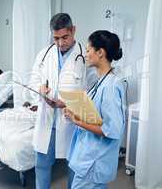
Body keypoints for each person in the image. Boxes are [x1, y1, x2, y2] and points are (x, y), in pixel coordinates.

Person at [29, 13, 86, 189]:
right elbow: (33, 80)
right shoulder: (44, 54)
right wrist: (40, 89)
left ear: (73, 30)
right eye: (56, 38)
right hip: (47, 120)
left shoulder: (84, 57)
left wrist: (67, 103)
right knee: (41, 165)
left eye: (65, 37)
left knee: (73, 167)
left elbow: (91, 93)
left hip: (71, 122)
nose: (60, 43)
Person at [63, 30, 126, 189]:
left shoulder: (111, 86)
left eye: (88, 49)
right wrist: (74, 111)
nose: (85, 54)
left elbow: (112, 130)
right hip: (87, 157)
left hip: (94, 162)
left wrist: (77, 121)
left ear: (100, 52)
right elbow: (95, 114)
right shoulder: (101, 82)